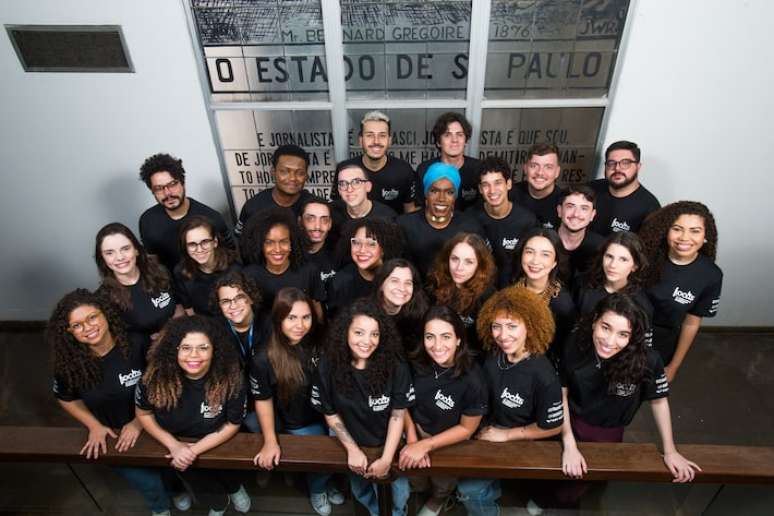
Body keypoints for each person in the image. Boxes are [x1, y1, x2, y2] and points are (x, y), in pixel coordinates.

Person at [49, 289, 171, 516]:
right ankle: (160, 510)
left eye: (92, 317)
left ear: (105, 314)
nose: (87, 328)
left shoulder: (137, 342)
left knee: (170, 474)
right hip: (114, 437)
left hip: (156, 423)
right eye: (77, 325)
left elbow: (162, 385)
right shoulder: (68, 364)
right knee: (149, 483)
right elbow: (66, 398)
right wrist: (93, 425)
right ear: (69, 332)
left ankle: (177, 493)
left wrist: (138, 422)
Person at [560, 294, 700, 490]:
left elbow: (659, 401)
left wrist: (670, 451)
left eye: (623, 334)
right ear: (594, 322)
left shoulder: (648, 360)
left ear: (632, 336)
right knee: (561, 471)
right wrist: (569, 443)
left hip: (609, 430)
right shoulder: (575, 344)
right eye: (605, 327)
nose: (609, 341)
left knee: (592, 476)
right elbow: (562, 393)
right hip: (570, 420)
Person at [135, 315, 250, 516]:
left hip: (220, 440)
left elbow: (233, 424)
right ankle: (219, 505)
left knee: (229, 472)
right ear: (174, 349)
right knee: (200, 483)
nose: (194, 355)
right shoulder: (154, 378)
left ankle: (235, 488)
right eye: (186, 348)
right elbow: (143, 414)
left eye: (203, 348)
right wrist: (175, 445)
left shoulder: (231, 379)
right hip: (175, 443)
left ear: (215, 350)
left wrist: (193, 450)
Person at [311, 299, 414, 516]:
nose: (367, 341)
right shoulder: (328, 365)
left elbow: (397, 415)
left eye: (374, 334)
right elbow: (330, 413)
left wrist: (386, 459)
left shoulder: (396, 365)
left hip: (388, 444)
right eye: (359, 332)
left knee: (400, 495)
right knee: (361, 491)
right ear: (345, 332)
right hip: (352, 442)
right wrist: (352, 449)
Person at [250, 288, 344, 516]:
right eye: (291, 317)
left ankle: (328, 479)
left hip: (331, 413)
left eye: (305, 317)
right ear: (278, 319)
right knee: (323, 456)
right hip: (300, 422)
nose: (299, 325)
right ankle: (319, 488)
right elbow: (263, 401)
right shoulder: (264, 358)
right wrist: (270, 441)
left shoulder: (320, 339)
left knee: (344, 448)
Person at [474, 286, 564, 515]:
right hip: (491, 428)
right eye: (497, 326)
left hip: (526, 438)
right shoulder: (493, 356)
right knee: (469, 487)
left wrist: (506, 435)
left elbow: (552, 426)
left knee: (470, 488)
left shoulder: (544, 375)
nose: (503, 336)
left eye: (512, 326)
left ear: (530, 326)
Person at [399, 305, 489, 516]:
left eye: (446, 337)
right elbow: (400, 401)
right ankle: (421, 491)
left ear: (459, 339)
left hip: (449, 442)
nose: (437, 345)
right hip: (415, 431)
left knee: (442, 482)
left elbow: (466, 430)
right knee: (416, 478)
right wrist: (413, 439)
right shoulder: (415, 362)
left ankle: (440, 498)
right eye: (430, 337)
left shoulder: (473, 379)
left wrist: (426, 445)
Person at [639, 201, 722, 382]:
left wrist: (673, 366)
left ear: (705, 235)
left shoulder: (711, 275)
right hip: (624, 333)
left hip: (661, 345)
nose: (684, 237)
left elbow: (691, 323)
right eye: (677, 229)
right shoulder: (645, 257)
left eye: (695, 231)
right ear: (666, 231)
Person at [138, 153, 233, 273]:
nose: (167, 193)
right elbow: (153, 263)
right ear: (152, 191)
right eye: (159, 188)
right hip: (171, 287)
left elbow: (230, 259)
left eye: (172, 184)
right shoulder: (147, 221)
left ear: (183, 183)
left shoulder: (212, 218)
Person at [95, 223, 182, 350]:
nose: (119, 257)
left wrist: (169, 333)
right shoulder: (103, 298)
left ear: (136, 250)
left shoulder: (160, 272)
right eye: (109, 253)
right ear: (102, 258)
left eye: (125, 249)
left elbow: (179, 307)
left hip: (180, 341)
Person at [397, 162, 482, 277]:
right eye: (434, 191)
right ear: (426, 193)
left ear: (455, 196)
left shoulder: (470, 226)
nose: (441, 198)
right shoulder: (404, 225)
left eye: (449, 192)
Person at [463, 156, 538, 286]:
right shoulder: (470, 218)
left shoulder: (527, 221)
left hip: (515, 288)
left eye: (498, 183)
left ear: (508, 184)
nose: (492, 191)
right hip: (479, 288)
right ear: (480, 189)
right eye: (486, 185)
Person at [241, 208, 326, 321]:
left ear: (292, 243)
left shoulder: (308, 270)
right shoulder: (249, 275)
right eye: (269, 242)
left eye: (283, 241)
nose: (277, 249)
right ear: (260, 245)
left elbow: (316, 308)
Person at [510, 228, 576, 366]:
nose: (535, 261)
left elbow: (563, 349)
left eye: (545, 255)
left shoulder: (562, 304)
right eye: (529, 252)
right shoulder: (508, 286)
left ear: (554, 262)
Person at [426, 233, 496, 356]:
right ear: (447, 259)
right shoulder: (434, 285)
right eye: (455, 259)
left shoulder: (488, 297)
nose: (459, 267)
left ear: (480, 265)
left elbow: (488, 344)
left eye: (468, 262)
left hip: (472, 359)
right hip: (436, 354)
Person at [333, 111, 416, 213]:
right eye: (369, 135)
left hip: (392, 228)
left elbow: (410, 211)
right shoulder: (345, 169)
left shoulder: (404, 170)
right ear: (360, 140)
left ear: (389, 140)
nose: (376, 141)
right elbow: (337, 208)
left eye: (382, 135)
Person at [212, 269, 263, 432]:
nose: (233, 306)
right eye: (226, 301)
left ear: (251, 298)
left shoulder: (269, 324)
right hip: (234, 404)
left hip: (270, 400)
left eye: (239, 297)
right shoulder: (214, 331)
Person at [326, 217, 404, 317]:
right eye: (356, 242)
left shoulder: (400, 277)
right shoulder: (340, 282)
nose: (362, 250)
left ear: (384, 248)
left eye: (371, 244)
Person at [574, 231, 653, 323]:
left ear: (635, 266)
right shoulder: (583, 284)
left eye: (623, 259)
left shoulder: (642, 305)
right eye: (609, 256)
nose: (613, 265)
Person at [236, 144, 313, 236]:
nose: (292, 178)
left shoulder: (315, 207)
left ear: (306, 176)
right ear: (273, 172)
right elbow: (241, 240)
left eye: (300, 173)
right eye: (284, 171)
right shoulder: (253, 206)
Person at [589, 140, 660, 236]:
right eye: (611, 163)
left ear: (638, 166)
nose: (617, 168)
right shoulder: (591, 189)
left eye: (625, 163)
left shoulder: (650, 207)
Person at [174, 216, 240, 316]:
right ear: (185, 247)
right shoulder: (182, 271)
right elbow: (189, 310)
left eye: (204, 242)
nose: (199, 249)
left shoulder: (235, 269)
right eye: (192, 244)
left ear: (215, 242)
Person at [415, 112, 481, 212]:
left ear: (466, 141)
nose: (454, 140)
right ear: (438, 142)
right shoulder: (425, 169)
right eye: (447, 135)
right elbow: (419, 208)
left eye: (459, 135)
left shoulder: (479, 168)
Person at [371, 258, 430, 354]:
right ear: (381, 284)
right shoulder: (366, 315)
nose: (402, 288)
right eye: (394, 281)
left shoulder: (420, 315)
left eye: (408, 283)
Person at [556, 185, 604, 286]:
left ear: (592, 215)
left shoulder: (601, 247)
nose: (576, 214)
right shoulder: (543, 241)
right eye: (570, 206)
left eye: (584, 208)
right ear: (559, 211)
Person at [512, 143, 563, 229]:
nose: (540, 173)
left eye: (548, 167)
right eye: (534, 166)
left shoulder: (564, 202)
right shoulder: (509, 195)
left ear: (557, 172)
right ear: (525, 168)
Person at [332, 162, 397, 228]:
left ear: (368, 187)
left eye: (356, 182)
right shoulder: (331, 213)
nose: (349, 189)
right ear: (339, 190)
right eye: (343, 184)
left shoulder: (387, 217)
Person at [298, 196, 338, 288]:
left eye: (324, 220)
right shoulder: (289, 255)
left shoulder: (339, 256)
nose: (317, 227)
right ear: (300, 222)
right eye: (310, 219)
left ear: (330, 224)